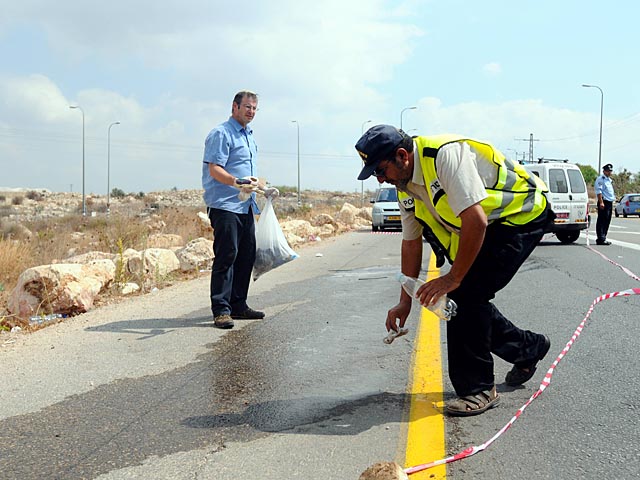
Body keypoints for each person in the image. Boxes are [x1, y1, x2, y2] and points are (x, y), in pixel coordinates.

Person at [355, 125, 554, 416]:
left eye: (381, 170)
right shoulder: (405, 187)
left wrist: (453, 278)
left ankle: (479, 389)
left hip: (521, 216)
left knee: (464, 295)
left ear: (402, 156)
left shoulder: (444, 156)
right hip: (489, 225)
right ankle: (528, 349)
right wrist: (404, 300)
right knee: (468, 298)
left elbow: (476, 220)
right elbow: (411, 243)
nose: (381, 179)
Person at [202, 90, 266, 329]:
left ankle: (238, 304)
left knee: (246, 255)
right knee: (227, 255)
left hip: (245, 204)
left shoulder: (249, 136)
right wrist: (235, 182)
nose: (251, 111)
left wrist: (263, 188)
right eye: (247, 107)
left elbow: (248, 173)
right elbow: (214, 169)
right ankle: (221, 310)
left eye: (254, 108)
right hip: (225, 205)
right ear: (235, 107)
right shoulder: (221, 133)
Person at [594, 163, 615, 245]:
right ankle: (600, 238)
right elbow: (599, 192)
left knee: (607, 220)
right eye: (608, 171)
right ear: (604, 171)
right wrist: (601, 202)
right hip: (604, 202)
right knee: (602, 220)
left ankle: (604, 237)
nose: (609, 172)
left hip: (609, 202)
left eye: (610, 171)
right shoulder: (601, 179)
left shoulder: (609, 180)